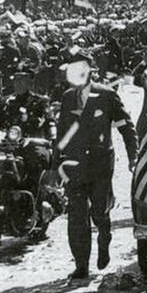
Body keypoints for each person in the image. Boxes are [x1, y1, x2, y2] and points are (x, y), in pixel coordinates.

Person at [56, 48, 136, 280]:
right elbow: (62, 134)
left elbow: (126, 126)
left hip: (100, 164)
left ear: (90, 71)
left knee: (99, 211)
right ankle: (82, 265)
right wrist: (54, 165)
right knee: (76, 215)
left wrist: (133, 155)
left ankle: (104, 236)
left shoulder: (106, 94)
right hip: (74, 164)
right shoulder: (67, 97)